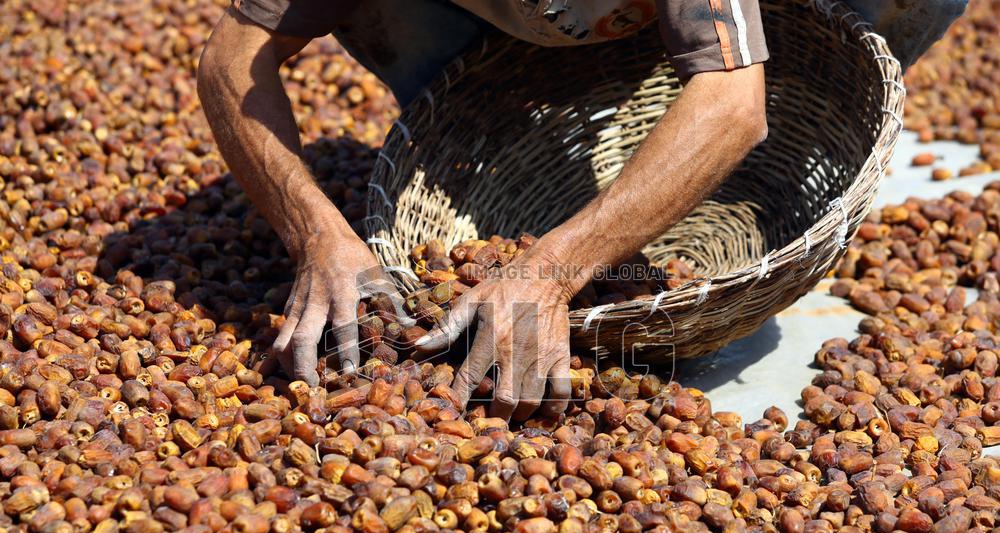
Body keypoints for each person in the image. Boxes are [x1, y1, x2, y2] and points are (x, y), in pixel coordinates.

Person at [197, 0, 962, 421]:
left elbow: (732, 106)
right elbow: (231, 55)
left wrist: (550, 272)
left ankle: (803, 81)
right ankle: (490, 104)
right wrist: (316, 232)